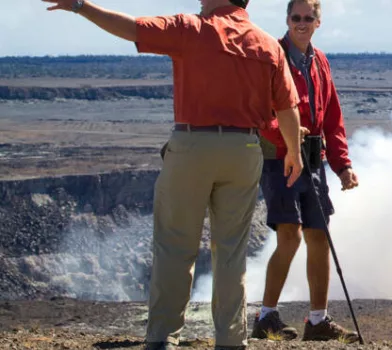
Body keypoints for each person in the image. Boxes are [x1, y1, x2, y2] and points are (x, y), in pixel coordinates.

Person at [40, 0, 305, 349]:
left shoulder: (189, 29)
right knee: (230, 252)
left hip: (192, 146)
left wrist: (80, 6)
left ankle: (163, 339)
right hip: (243, 150)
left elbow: (131, 28)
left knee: (175, 247)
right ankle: (230, 341)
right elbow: (287, 107)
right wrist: (295, 154)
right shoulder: (267, 44)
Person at [249, 0, 360, 344]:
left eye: (307, 18)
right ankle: (266, 317)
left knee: (318, 235)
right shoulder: (272, 56)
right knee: (290, 235)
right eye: (295, 17)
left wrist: (342, 165)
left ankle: (318, 321)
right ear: (287, 20)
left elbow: (332, 118)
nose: (301, 23)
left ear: (317, 22)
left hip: (313, 159)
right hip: (279, 159)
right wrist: (285, 135)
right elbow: (258, 111)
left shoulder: (320, 61)